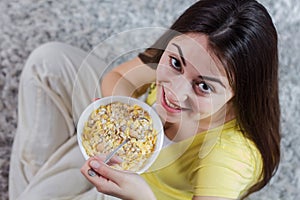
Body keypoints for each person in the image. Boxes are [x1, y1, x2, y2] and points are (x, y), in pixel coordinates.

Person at [9, 0, 280, 199]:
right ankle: (39, 176)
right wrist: (119, 118)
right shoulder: (193, 54)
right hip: (122, 141)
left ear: (240, 93)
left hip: (135, 191)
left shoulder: (230, 156)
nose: (174, 91)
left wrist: (142, 197)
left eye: (203, 87)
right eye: (175, 63)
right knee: (48, 62)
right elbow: (119, 77)